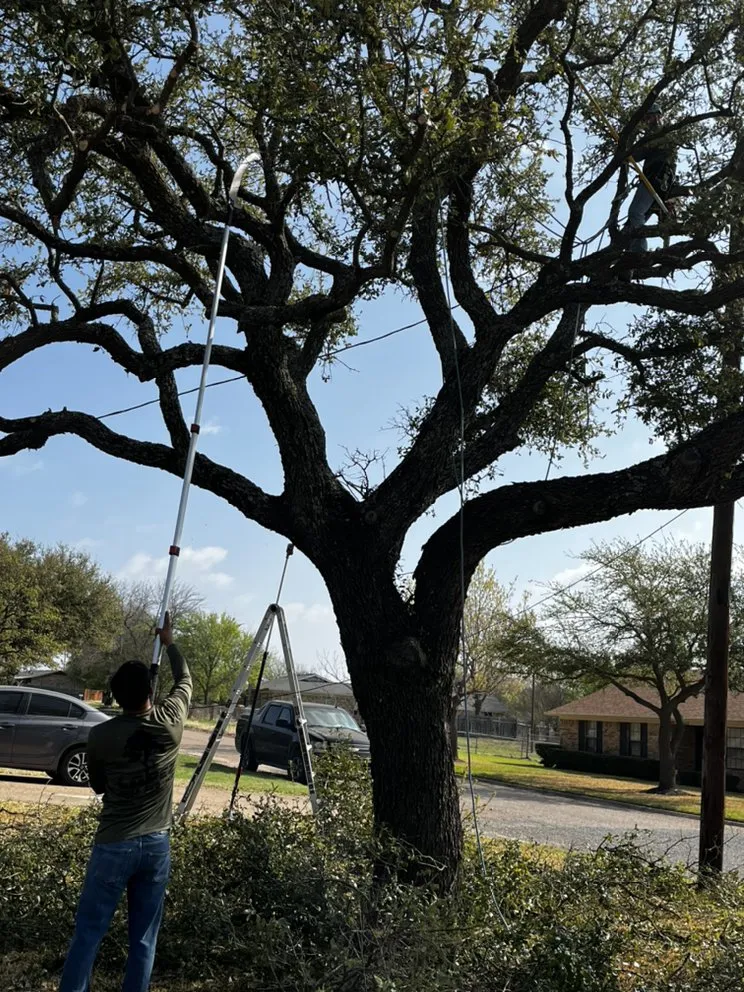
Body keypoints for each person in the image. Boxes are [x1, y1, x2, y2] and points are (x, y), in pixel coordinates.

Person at [59, 612, 192, 992]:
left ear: (116, 696)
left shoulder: (100, 736)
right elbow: (184, 681)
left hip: (114, 843)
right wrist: (169, 644)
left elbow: (99, 786)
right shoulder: (170, 724)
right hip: (156, 845)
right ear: (151, 692)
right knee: (144, 939)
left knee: (88, 934)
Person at [623, 102, 677, 254]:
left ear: (657, 116)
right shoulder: (661, 133)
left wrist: (626, 153)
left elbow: (642, 152)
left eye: (648, 117)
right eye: (645, 119)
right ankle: (626, 265)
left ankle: (639, 252)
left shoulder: (659, 131)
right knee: (629, 227)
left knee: (635, 212)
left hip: (655, 176)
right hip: (660, 179)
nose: (646, 122)